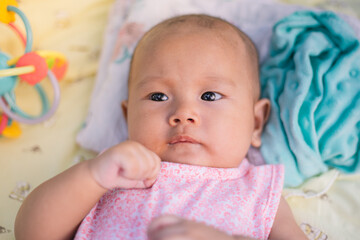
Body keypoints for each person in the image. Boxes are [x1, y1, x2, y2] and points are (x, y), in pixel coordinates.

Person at [14, 14, 307, 240]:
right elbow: (32, 233)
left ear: (256, 122)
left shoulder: (258, 191)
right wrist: (92, 176)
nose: (183, 114)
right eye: (158, 96)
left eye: (210, 96)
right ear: (128, 116)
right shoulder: (111, 174)